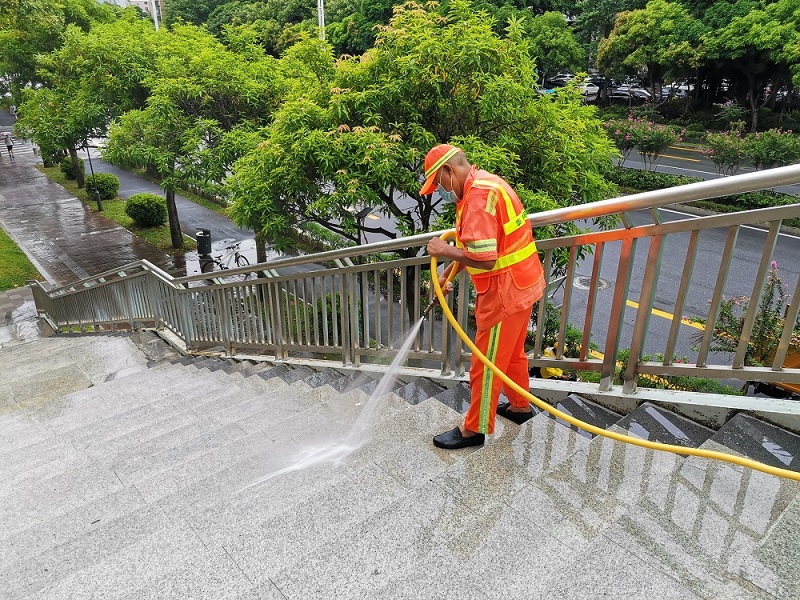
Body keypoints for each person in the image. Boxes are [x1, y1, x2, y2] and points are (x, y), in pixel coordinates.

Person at [422, 144, 547, 449]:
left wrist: (441, 250)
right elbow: (477, 247)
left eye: (439, 184)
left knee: (485, 364)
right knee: (513, 354)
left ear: (449, 171)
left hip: (504, 294)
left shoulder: (477, 198)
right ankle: (519, 406)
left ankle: (474, 430)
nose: (440, 191)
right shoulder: (484, 185)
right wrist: (447, 273)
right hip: (524, 283)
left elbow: (487, 259)